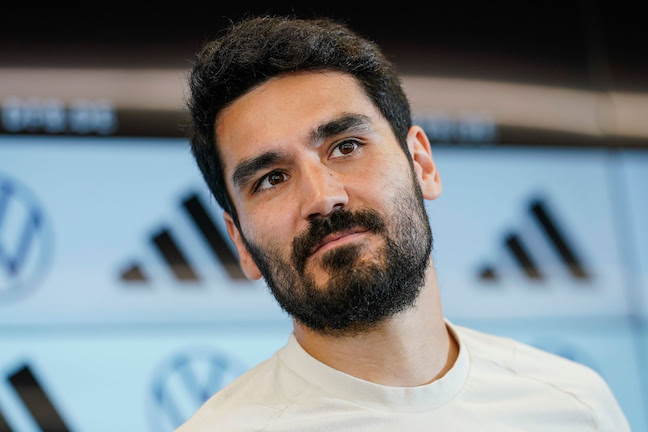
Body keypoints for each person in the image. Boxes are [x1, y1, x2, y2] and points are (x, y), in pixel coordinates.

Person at [176, 14, 630, 431]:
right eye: (272, 178)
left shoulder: (572, 405)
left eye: (346, 146)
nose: (323, 197)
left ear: (421, 163)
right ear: (239, 242)